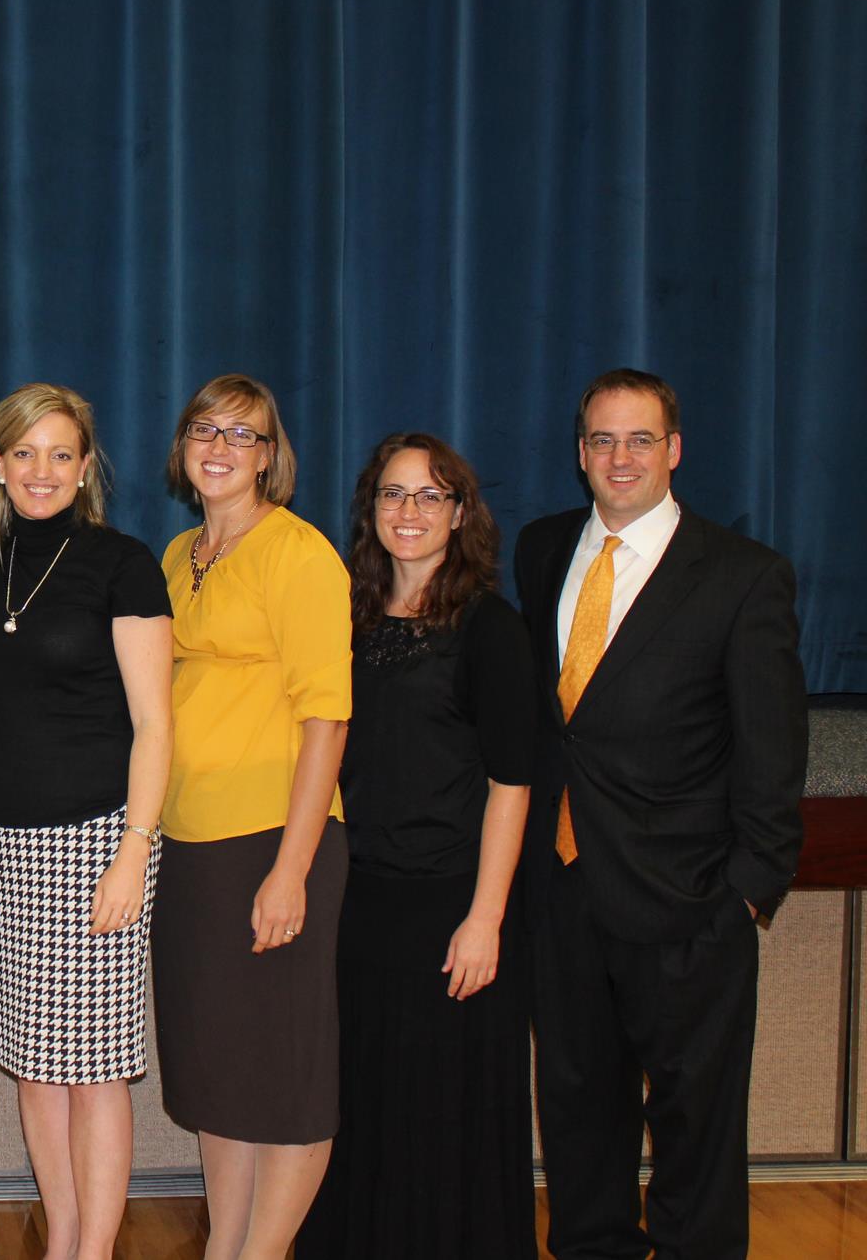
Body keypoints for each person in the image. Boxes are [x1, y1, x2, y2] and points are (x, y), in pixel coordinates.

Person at [514, 368, 805, 1260]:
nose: (620, 457)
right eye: (602, 440)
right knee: (578, 1114)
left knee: (695, 1131)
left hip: (690, 906)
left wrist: (747, 892)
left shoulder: (743, 576)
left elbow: (772, 749)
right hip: (562, 895)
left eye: (640, 439)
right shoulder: (539, 547)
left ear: (673, 450)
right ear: (579, 454)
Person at [296, 433, 535, 1259]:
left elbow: (513, 783)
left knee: (445, 1117)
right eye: (394, 494)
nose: (410, 511)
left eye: (430, 495)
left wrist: (486, 919)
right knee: (365, 1104)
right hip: (361, 905)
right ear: (370, 509)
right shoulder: (346, 620)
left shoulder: (490, 629)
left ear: (460, 513)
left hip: (451, 911)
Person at [0, 384, 171, 1260]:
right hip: (2, 840)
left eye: (60, 453)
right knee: (33, 1061)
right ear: (0, 464)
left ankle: (96, 1250)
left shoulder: (124, 564)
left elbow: (157, 723)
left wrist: (133, 851)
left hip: (98, 838)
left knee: (94, 1070)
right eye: (24, 453)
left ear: (86, 465)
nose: (40, 471)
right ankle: (62, 1241)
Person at [151, 373, 351, 1260]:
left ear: (271, 456)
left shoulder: (300, 555)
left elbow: (328, 718)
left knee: (287, 1073)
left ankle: (262, 1252)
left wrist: (291, 868)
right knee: (218, 1070)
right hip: (190, 847)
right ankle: (221, 1245)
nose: (222, 447)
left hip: (274, 840)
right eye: (206, 428)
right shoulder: (176, 553)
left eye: (245, 434)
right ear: (185, 446)